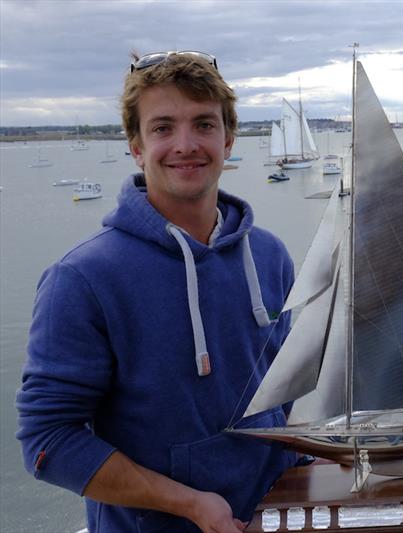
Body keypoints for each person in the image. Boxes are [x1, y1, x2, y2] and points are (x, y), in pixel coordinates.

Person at [16, 51, 299, 532]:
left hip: (275, 522)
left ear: (229, 140)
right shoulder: (83, 278)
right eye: (163, 127)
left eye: (204, 125)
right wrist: (190, 503)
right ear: (136, 145)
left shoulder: (270, 256)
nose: (186, 145)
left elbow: (290, 401)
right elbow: (47, 442)